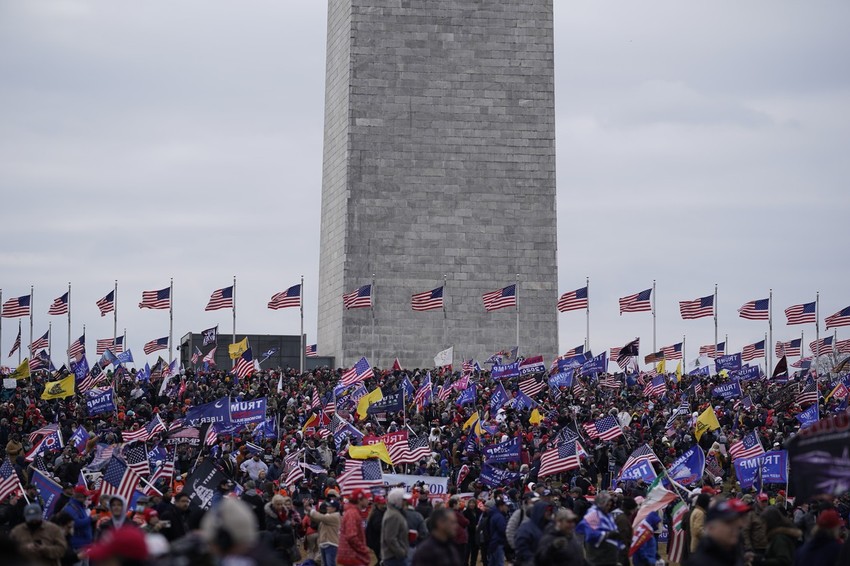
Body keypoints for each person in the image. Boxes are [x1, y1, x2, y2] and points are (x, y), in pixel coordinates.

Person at [685, 498, 750, 566]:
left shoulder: (734, 555)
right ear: (711, 527)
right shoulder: (699, 562)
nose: (735, 528)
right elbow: (697, 530)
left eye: (736, 523)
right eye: (728, 523)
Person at [575, 491, 622, 566]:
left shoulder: (607, 515)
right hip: (597, 557)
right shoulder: (592, 514)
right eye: (607, 505)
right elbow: (591, 533)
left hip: (609, 557)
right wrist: (608, 534)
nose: (609, 507)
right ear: (601, 503)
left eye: (610, 505)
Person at [337, 488, 372, 566]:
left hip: (351, 555)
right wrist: (364, 549)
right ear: (359, 500)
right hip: (353, 556)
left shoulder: (352, 512)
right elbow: (351, 536)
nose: (368, 500)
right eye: (366, 498)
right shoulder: (352, 513)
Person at [513, 500, 553, 566]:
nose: (548, 513)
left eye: (550, 511)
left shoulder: (551, 527)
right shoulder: (526, 529)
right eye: (546, 511)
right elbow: (522, 549)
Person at [262, 494, 298, 565]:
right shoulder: (270, 515)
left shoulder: (285, 513)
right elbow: (270, 527)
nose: (280, 506)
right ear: (274, 504)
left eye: (281, 504)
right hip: (276, 544)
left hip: (287, 544)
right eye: (278, 504)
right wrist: (282, 527)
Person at [382, 487, 411, 566]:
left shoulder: (394, 513)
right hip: (394, 558)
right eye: (403, 500)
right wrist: (401, 552)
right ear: (397, 500)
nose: (405, 502)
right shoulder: (393, 516)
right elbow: (390, 538)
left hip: (394, 557)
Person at [59, 485, 93, 551]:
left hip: (84, 544)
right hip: (77, 545)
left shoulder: (80, 506)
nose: (86, 498)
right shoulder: (71, 508)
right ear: (79, 496)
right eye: (85, 496)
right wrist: (90, 519)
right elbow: (75, 523)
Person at [310, 499, 341, 566]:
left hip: (331, 544)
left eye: (330, 506)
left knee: (330, 564)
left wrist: (311, 510)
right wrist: (308, 511)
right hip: (324, 543)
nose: (327, 507)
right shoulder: (328, 516)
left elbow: (321, 517)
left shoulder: (335, 516)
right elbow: (316, 518)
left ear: (335, 508)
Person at [487, 495, 509, 566]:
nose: (507, 508)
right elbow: (503, 530)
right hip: (498, 543)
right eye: (506, 506)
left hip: (494, 542)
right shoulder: (499, 517)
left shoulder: (495, 514)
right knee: (499, 563)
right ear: (501, 506)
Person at [366, 493, 386, 560]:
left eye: (383, 503)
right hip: (376, 542)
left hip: (374, 541)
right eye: (381, 503)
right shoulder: (377, 514)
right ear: (377, 504)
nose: (383, 505)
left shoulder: (377, 512)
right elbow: (378, 527)